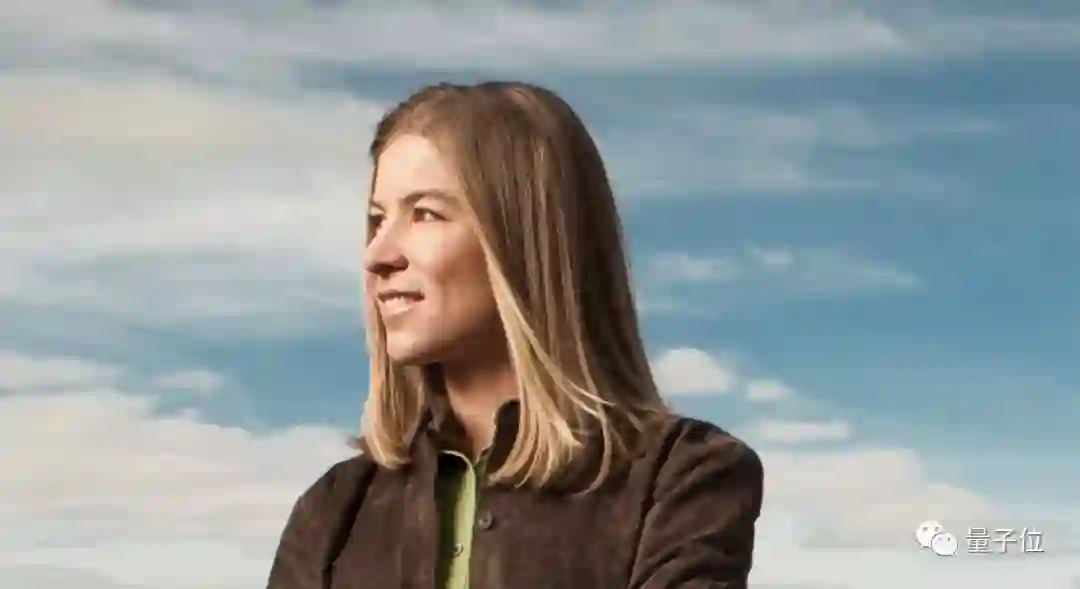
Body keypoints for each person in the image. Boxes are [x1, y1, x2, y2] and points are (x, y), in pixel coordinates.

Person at [267, 81, 764, 589]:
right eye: (377, 220)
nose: (378, 254)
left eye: (425, 214)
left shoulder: (684, 476)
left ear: (526, 241)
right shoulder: (331, 513)